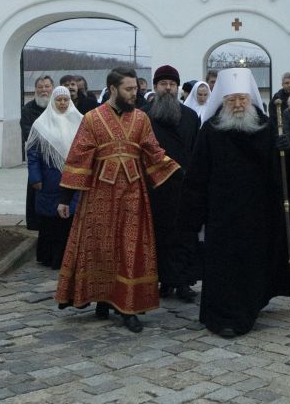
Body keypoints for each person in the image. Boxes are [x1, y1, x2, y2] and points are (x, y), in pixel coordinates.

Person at [55, 67, 181, 333]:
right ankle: (102, 298)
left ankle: (128, 307)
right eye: (129, 89)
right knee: (100, 247)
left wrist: (178, 172)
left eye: (135, 88)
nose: (135, 94)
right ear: (113, 89)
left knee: (129, 249)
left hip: (133, 194)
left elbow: (153, 151)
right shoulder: (91, 118)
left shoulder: (142, 119)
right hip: (99, 194)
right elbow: (78, 156)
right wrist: (65, 197)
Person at [179, 68, 290, 338]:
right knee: (223, 264)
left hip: (258, 210)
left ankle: (250, 306)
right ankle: (224, 315)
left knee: (252, 262)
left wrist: (286, 150)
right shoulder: (210, 130)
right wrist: (191, 215)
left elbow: (281, 172)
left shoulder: (267, 126)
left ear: (251, 99)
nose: (237, 105)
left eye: (242, 99)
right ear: (222, 101)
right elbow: (197, 174)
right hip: (221, 211)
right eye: (231, 99)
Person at [146, 65, 201, 302]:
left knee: (185, 235)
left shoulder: (190, 116)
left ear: (178, 88)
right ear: (155, 87)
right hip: (156, 187)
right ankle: (165, 280)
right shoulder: (144, 116)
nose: (168, 88)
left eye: (172, 84)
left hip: (185, 186)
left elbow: (197, 150)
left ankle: (184, 282)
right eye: (163, 84)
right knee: (160, 235)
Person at [26, 86, 83, 268]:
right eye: (59, 100)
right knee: (50, 222)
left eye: (66, 100)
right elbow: (33, 154)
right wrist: (35, 178)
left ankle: (67, 259)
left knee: (69, 220)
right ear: (53, 101)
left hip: (73, 179)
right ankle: (49, 257)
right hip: (49, 180)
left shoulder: (80, 122)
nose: (62, 103)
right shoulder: (41, 124)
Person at [20, 75, 53, 228]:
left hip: (57, 158)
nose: (44, 90)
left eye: (47, 86)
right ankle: (34, 223)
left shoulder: (59, 106)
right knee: (35, 188)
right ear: (35, 89)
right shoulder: (28, 109)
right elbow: (28, 133)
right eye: (40, 87)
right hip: (37, 158)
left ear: (52, 88)